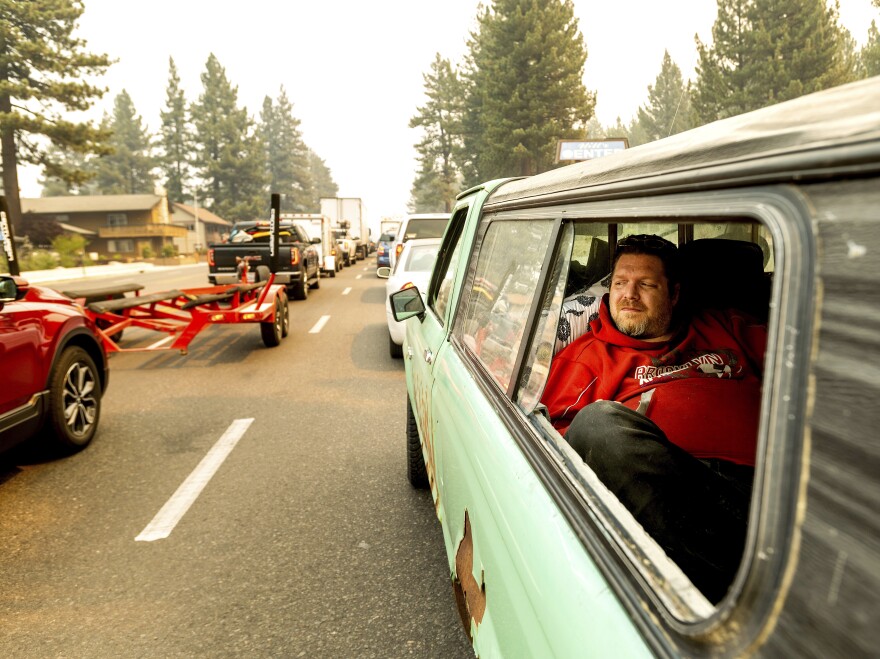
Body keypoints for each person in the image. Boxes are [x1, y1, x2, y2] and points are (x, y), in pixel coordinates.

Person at [541, 234, 767, 602]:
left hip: (775, 486)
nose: (628, 295)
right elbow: (555, 450)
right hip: (676, 501)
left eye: (645, 285)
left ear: (674, 293)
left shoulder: (728, 327)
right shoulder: (587, 358)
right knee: (595, 425)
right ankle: (757, 585)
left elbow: (805, 366)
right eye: (619, 283)